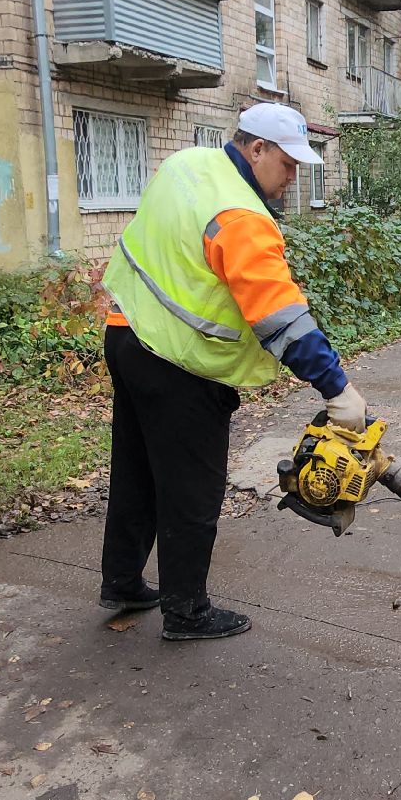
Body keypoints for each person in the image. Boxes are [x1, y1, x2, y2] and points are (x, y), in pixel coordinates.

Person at [98, 103, 367, 640]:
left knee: (137, 470)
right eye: (287, 165)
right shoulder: (242, 216)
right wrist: (338, 388)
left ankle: (123, 581)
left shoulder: (188, 162)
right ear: (256, 148)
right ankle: (186, 611)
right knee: (192, 488)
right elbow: (280, 316)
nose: (293, 178)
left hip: (126, 331)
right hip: (179, 362)